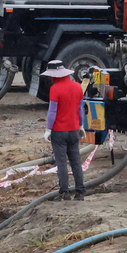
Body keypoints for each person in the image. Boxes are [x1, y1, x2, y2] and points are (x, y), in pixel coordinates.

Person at [42, 59, 85, 200]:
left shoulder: (55, 89)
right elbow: (80, 109)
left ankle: (64, 193)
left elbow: (52, 112)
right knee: (76, 162)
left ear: (54, 75)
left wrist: (48, 129)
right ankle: (80, 192)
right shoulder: (77, 87)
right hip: (74, 131)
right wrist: (81, 126)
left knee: (62, 163)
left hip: (59, 132)